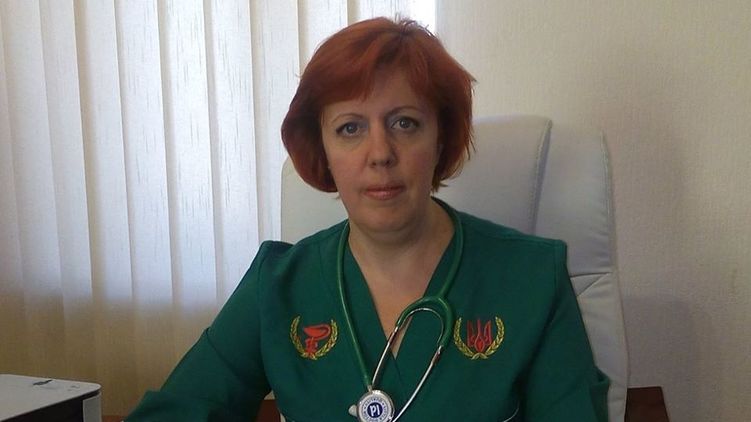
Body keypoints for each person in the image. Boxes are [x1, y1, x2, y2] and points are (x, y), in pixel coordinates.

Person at [126, 17, 609, 422]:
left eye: (405, 123)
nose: (380, 153)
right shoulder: (277, 287)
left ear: (440, 138)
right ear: (323, 150)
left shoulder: (532, 279)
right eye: (350, 128)